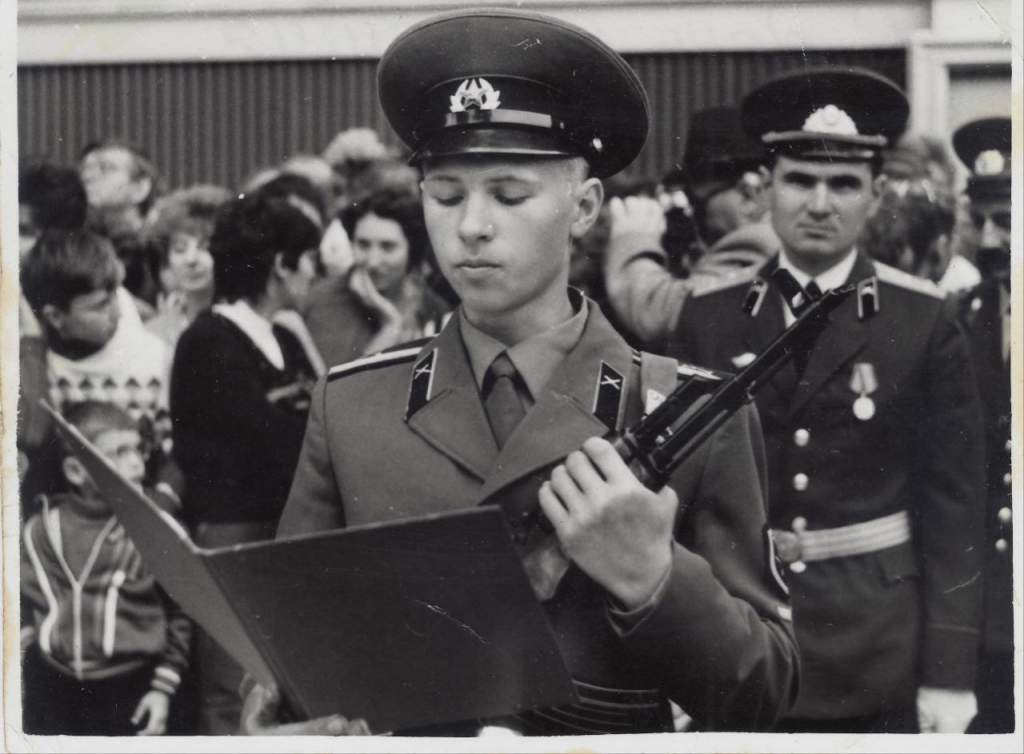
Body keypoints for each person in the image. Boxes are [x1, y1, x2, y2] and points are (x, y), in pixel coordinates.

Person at [243, 7, 799, 737]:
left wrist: (653, 577)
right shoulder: (352, 406)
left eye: (509, 195)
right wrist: (272, 724)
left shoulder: (688, 411)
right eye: (446, 195)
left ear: (584, 206)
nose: (471, 226)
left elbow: (764, 693)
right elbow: (288, 649)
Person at [670, 67, 985, 734]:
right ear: (766, 190)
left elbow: (954, 508)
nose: (820, 203)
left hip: (874, 645)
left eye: (843, 184)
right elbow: (683, 502)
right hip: (739, 639)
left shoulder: (922, 321)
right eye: (800, 180)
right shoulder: (710, 317)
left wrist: (950, 673)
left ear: (875, 195)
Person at [169, 188, 321, 734]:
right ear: (281, 265)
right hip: (234, 540)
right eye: (308, 261)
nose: (314, 274)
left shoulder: (284, 338)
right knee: (233, 692)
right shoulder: (208, 341)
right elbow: (275, 444)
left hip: (283, 536)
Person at [20, 401, 192, 736]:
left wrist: (161, 690)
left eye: (138, 450)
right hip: (53, 689)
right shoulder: (40, 532)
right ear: (75, 471)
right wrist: (30, 661)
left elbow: (181, 614)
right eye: (119, 453)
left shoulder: (155, 531)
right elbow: (22, 606)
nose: (137, 464)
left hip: (131, 690)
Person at [601, 106, 778, 350]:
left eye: (699, 198)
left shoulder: (758, 242)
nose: (694, 210)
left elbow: (659, 315)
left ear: (749, 192)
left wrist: (633, 239)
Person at [19, 229, 172, 509]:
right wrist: (31, 340)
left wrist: (162, 501)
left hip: (141, 513)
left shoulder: (152, 357)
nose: (118, 312)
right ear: (55, 316)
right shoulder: (35, 366)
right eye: (100, 306)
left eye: (115, 295)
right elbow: (32, 435)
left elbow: (176, 450)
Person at [952, 116, 1013, 734]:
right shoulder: (962, 318)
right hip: (987, 612)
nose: (991, 240)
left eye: (1008, 222)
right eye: (981, 221)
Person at [303, 187, 451, 365]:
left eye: (388, 247)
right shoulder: (325, 302)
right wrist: (390, 326)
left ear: (412, 250)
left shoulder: (433, 307)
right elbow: (340, 381)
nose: (373, 261)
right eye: (363, 245)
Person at [143, 184, 233, 353]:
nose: (191, 259)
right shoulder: (151, 334)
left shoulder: (242, 325)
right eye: (179, 249)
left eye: (204, 247)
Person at [79, 138, 164, 305]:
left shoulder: (163, 246)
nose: (87, 177)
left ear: (140, 188)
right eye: (84, 169)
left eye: (106, 168)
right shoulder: (80, 241)